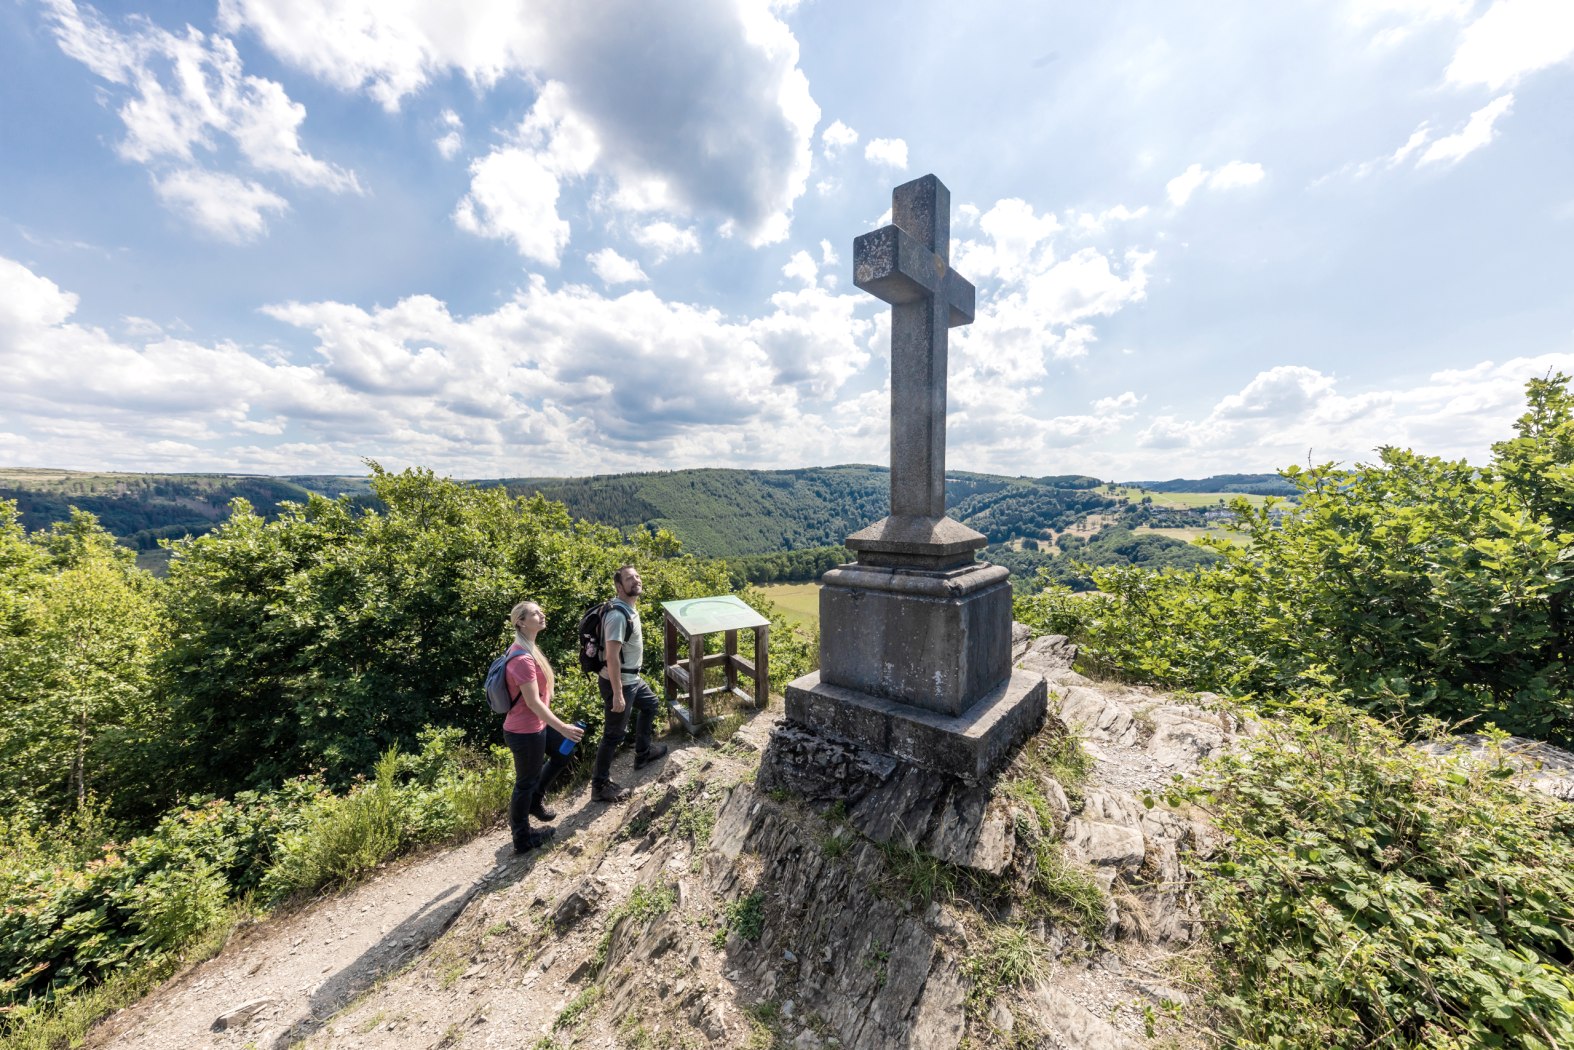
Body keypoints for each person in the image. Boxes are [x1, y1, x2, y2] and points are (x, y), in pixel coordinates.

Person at [502, 600, 585, 853]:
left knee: (564, 751)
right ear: (521, 622)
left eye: (540, 611)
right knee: (524, 783)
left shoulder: (528, 649)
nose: (542, 614)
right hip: (524, 732)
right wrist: (562, 727)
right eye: (535, 613)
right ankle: (522, 838)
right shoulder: (522, 658)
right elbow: (533, 702)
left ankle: (536, 800)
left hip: (535, 726)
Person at [590, 565, 666, 803]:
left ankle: (642, 754)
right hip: (621, 682)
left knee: (651, 704)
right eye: (629, 578)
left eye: (637, 576)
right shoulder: (617, 615)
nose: (636, 580)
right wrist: (617, 693)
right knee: (613, 734)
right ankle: (599, 786)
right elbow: (611, 657)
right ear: (618, 586)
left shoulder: (628, 609)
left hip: (632, 679)